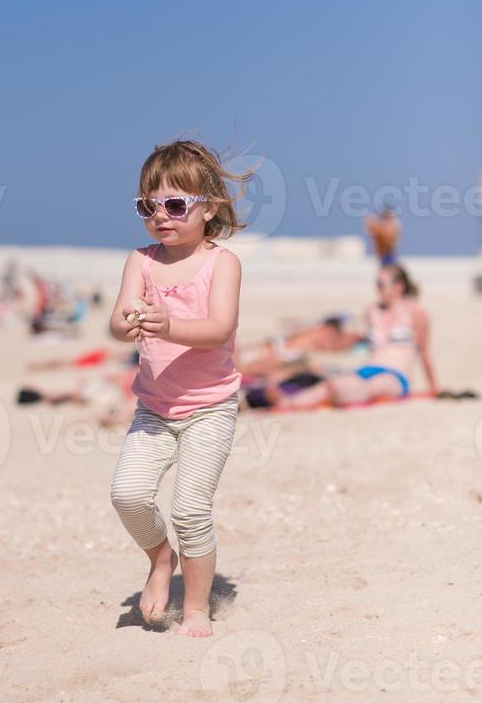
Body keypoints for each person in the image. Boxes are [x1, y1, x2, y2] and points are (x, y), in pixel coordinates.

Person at [109, 138, 254, 638]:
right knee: (128, 494)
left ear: (208, 207)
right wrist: (127, 323)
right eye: (148, 206)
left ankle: (194, 606)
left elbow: (219, 328)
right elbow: (117, 319)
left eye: (175, 205)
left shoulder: (223, 263)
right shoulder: (141, 260)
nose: (160, 217)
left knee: (190, 508)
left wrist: (167, 326)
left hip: (210, 409)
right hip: (153, 408)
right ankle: (159, 558)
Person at [283, 263, 439, 408]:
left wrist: (433, 388)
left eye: (382, 285)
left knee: (363, 388)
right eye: (377, 284)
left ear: (399, 286)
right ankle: (285, 403)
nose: (378, 290)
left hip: (395, 374)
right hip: (367, 368)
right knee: (331, 385)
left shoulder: (415, 312)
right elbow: (353, 341)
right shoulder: (372, 311)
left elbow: (424, 352)